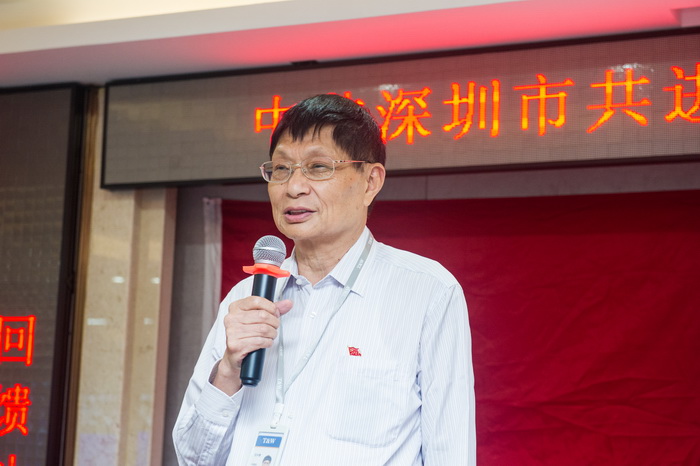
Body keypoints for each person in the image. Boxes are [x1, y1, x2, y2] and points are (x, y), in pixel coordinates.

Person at [173, 94, 476, 465]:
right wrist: (227, 372)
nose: (293, 187)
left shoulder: (427, 292)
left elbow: (450, 451)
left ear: (370, 181)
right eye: (281, 168)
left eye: (318, 167)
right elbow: (193, 457)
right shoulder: (247, 297)